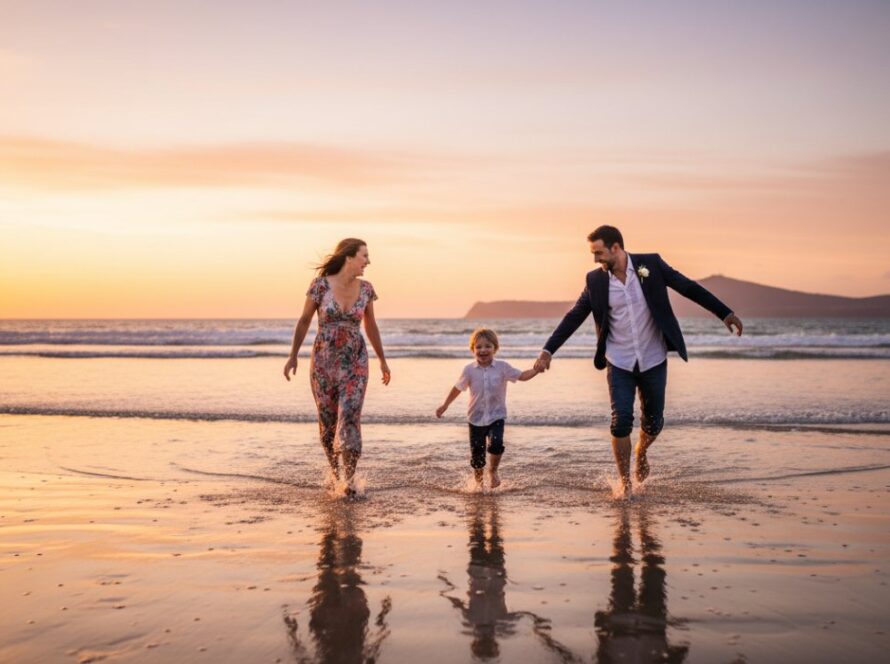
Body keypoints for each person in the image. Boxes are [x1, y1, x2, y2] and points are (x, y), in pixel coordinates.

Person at [534, 226, 743, 497]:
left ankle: (641, 450)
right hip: (618, 361)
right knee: (620, 421)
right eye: (593, 254)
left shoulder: (651, 265)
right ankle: (625, 483)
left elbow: (688, 287)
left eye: (599, 253)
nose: (595, 259)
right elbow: (574, 316)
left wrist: (725, 313)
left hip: (653, 357)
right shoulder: (595, 281)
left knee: (654, 423)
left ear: (616, 248)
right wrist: (548, 350)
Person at [283, 238, 391, 493]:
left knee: (351, 415)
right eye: (365, 255)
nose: (368, 261)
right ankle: (335, 475)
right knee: (328, 422)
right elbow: (304, 320)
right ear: (349, 256)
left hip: (355, 360)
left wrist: (383, 360)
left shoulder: (366, 289)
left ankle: (350, 482)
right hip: (323, 363)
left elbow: (371, 326)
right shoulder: (320, 286)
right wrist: (292, 355)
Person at [436, 328, 539, 489]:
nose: (483, 350)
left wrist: (536, 370)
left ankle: (493, 471)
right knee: (477, 456)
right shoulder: (469, 370)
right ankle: (478, 484)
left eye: (487, 346)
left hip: (496, 416)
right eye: (478, 347)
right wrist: (445, 405)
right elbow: (458, 388)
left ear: (495, 348)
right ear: (473, 349)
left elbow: (522, 376)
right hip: (475, 418)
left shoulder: (502, 367)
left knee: (496, 443)